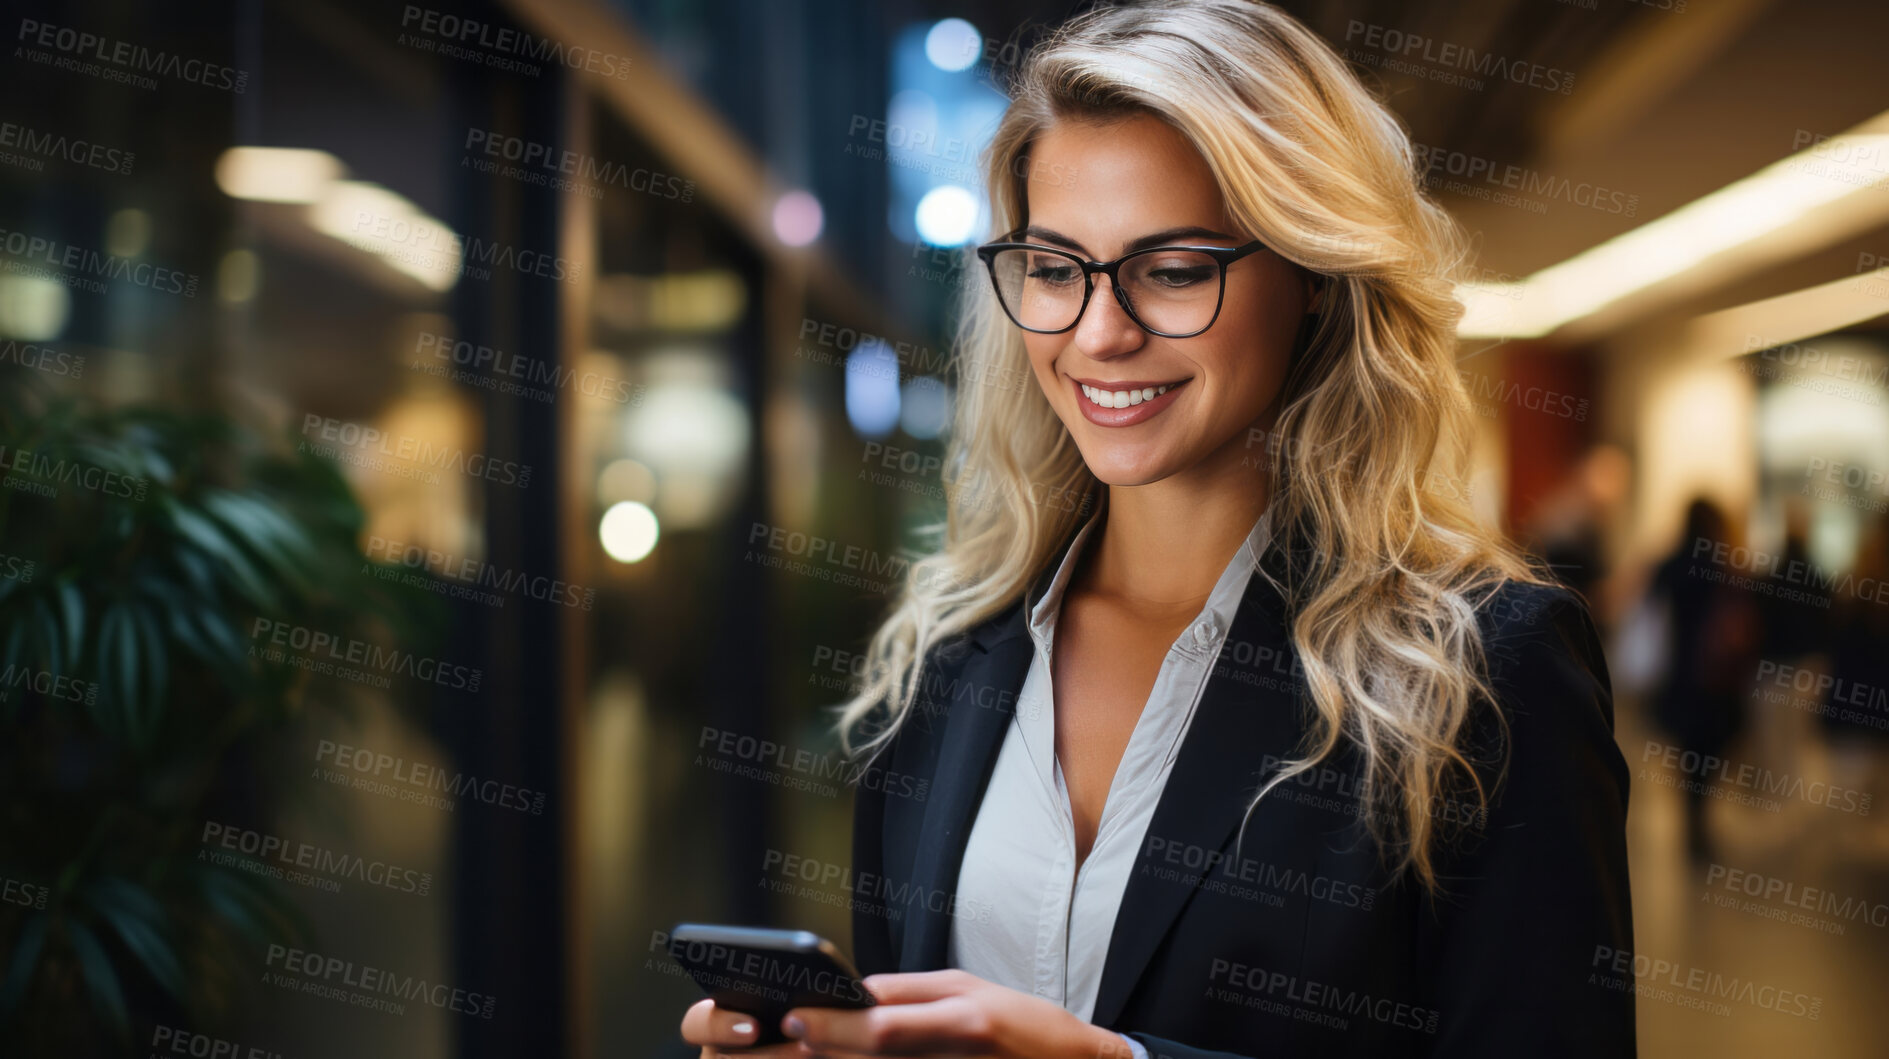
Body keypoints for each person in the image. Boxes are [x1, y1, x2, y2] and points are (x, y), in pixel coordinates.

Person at [682, 1, 1634, 1054]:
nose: (1098, 333)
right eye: (1052, 269)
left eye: (1173, 271)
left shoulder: (1483, 670)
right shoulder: (949, 649)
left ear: (1313, 278)